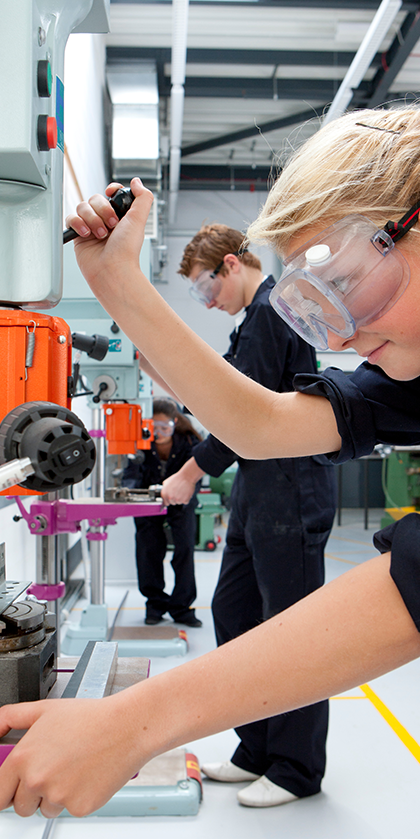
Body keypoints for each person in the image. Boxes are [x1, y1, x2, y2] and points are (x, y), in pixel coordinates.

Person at [0, 94, 420, 822]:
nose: (344, 335)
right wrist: (119, 285)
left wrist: (130, 727)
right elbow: (262, 423)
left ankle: (293, 764)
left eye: (347, 287)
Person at [154, 224, 336, 808]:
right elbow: (219, 399)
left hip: (291, 489)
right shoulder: (250, 324)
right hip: (258, 494)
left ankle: (296, 768)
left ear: (232, 264)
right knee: (234, 614)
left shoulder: (274, 313)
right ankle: (255, 748)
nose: (207, 301)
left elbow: (240, 419)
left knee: (293, 636)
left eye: (206, 286)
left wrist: (187, 473)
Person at [123, 396, 203, 628]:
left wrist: (185, 492)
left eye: (164, 427)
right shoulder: (141, 442)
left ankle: (182, 608)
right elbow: (131, 474)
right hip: (148, 504)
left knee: (185, 551)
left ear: (175, 422)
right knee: (148, 551)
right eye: (154, 427)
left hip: (182, 503)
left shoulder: (189, 441)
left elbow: (196, 475)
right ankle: (155, 605)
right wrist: (129, 494)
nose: (159, 432)